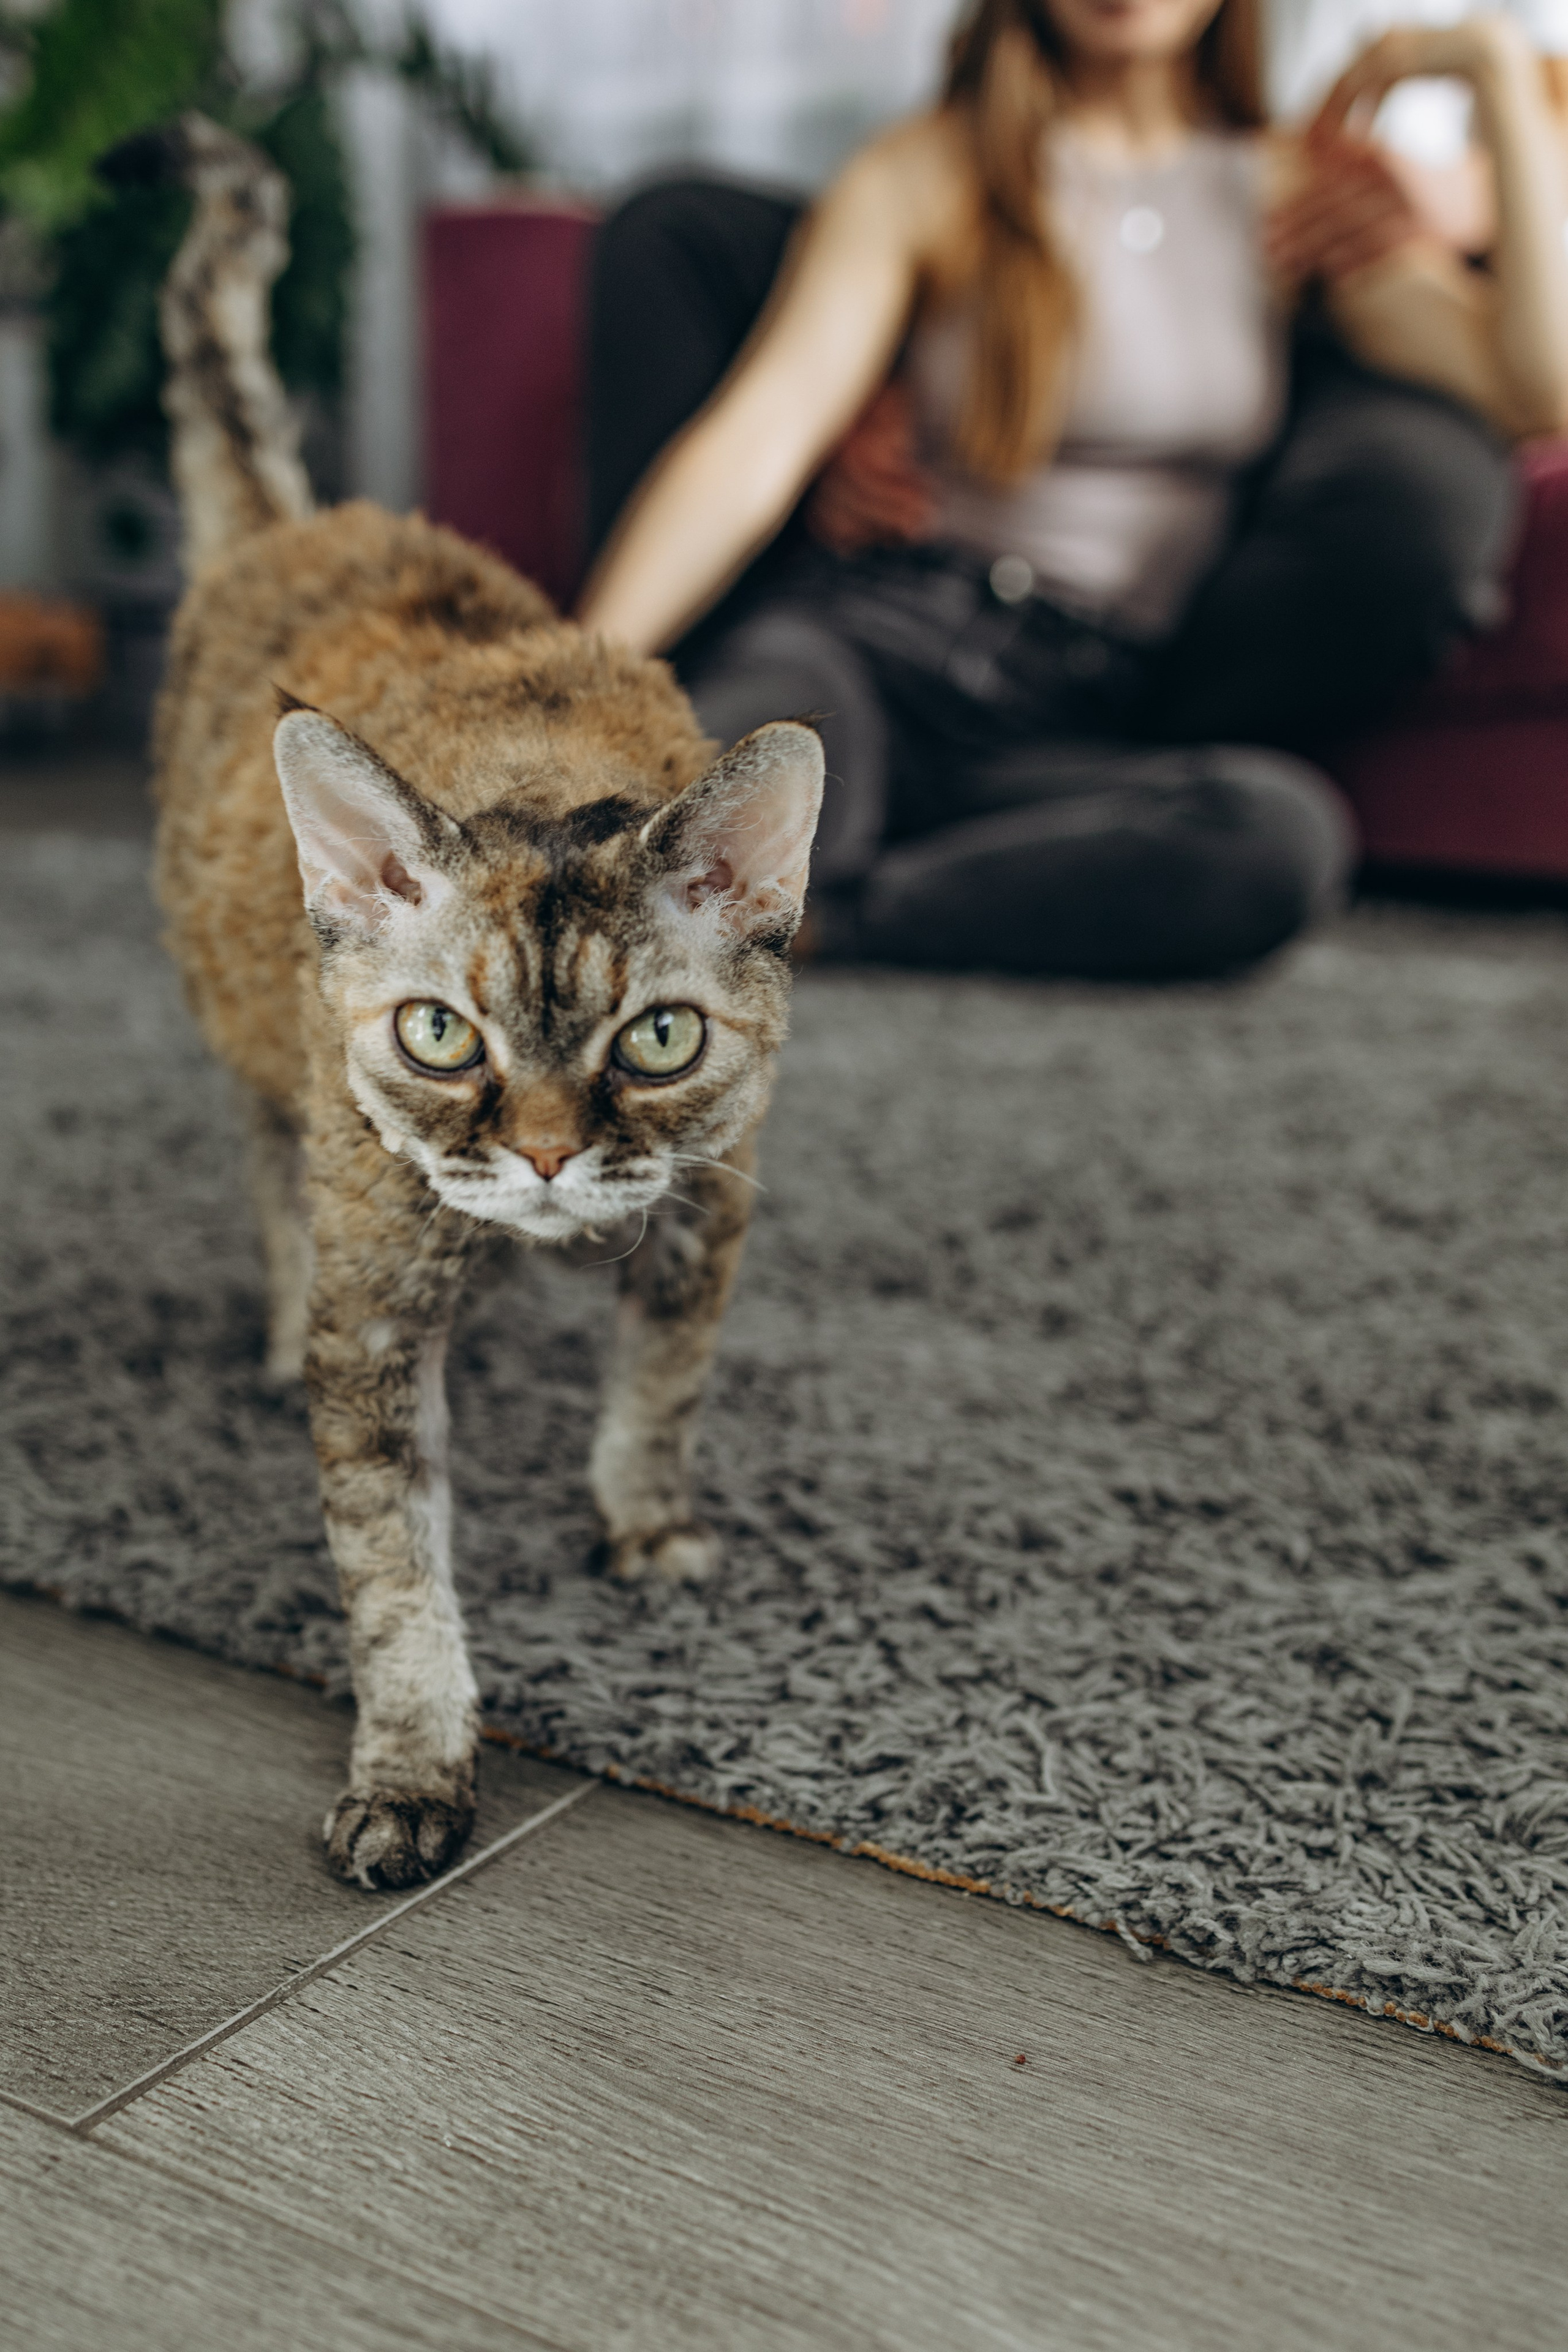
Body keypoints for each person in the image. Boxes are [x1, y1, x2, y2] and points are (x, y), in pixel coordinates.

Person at [578, 0, 1568, 979]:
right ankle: (795, 902)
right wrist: (580, 679)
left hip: (1078, 708)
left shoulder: (1290, 196)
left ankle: (841, 918)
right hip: (868, 646)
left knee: (1278, 835)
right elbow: (762, 435)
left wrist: (1494, 69)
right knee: (729, 768)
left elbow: (1543, 386)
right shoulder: (930, 169)